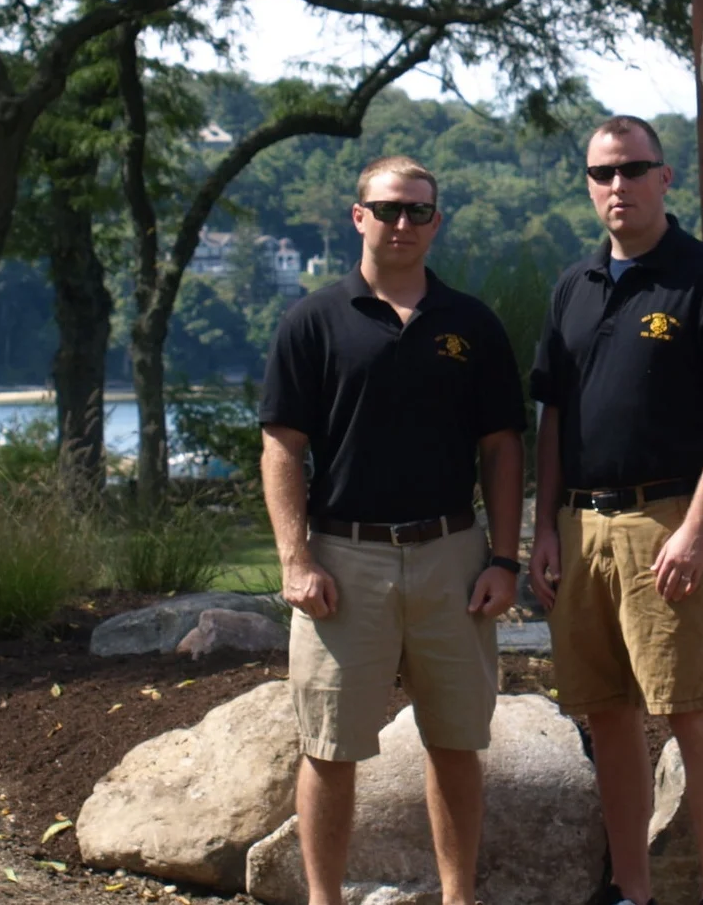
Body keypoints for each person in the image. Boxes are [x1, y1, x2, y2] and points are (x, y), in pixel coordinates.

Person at [259, 155, 525, 905]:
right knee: (328, 747)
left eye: (418, 211)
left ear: (436, 222)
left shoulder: (471, 324)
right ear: (359, 217)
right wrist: (295, 559)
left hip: (452, 556)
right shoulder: (312, 321)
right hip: (344, 561)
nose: (402, 223)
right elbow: (282, 446)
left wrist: (504, 559)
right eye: (387, 209)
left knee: (456, 742)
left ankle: (458, 898)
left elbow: (503, 447)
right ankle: (324, 900)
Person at [529, 116, 703, 905]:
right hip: (579, 527)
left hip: (664, 522)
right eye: (602, 173)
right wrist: (543, 528)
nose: (617, 185)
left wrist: (697, 528)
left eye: (632, 169)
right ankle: (632, 892)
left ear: (665, 177)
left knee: (690, 710)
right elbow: (552, 415)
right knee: (606, 715)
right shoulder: (574, 285)